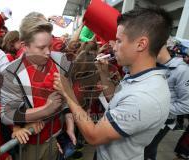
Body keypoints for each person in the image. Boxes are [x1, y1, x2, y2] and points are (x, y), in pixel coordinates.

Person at [53, 7, 172, 160]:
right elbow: (116, 101)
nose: (114, 47)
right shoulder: (140, 77)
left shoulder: (144, 96)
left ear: (141, 44)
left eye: (119, 41)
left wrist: (68, 93)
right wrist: (103, 74)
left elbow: (94, 136)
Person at [0, 12, 75, 160]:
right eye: (41, 48)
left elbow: (67, 98)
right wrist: (45, 109)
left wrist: (70, 127)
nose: (48, 52)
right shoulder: (11, 73)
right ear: (24, 46)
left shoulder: (60, 61)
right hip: (33, 144)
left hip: (58, 134)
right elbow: (5, 114)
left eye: (50, 46)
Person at [144, 45, 189, 160]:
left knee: (147, 150)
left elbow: (186, 105)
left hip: (163, 121)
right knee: (141, 149)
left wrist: (156, 107)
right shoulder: (150, 64)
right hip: (147, 117)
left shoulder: (182, 70)